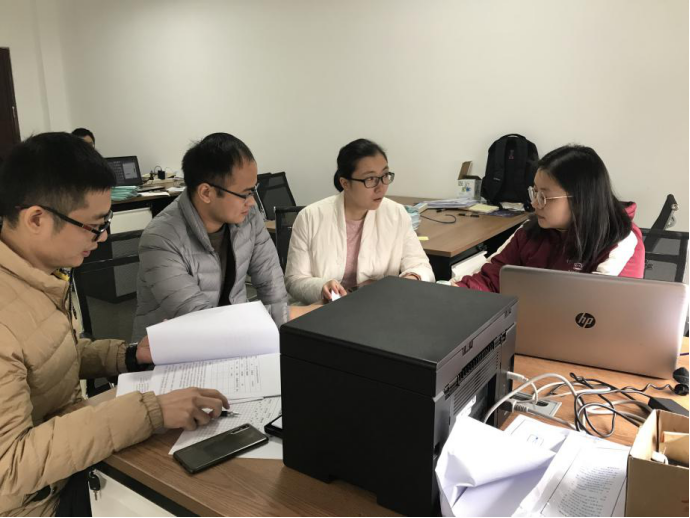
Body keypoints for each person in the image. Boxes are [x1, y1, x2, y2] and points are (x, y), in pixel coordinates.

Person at [0, 133, 229, 517]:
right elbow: (10, 467)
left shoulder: (38, 275)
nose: (103, 236)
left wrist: (129, 355)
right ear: (36, 219)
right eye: (94, 225)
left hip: (65, 463)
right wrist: (150, 411)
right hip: (37, 503)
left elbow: (47, 356)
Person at [132, 132, 289, 341]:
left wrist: (281, 336)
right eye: (245, 193)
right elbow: (200, 321)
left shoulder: (249, 218)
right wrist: (279, 316)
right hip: (176, 347)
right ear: (206, 193)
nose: (252, 202)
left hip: (238, 336)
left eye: (254, 190)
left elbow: (271, 284)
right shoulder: (160, 239)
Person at [455, 144, 645, 292]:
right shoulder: (531, 231)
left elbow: (595, 311)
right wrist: (452, 292)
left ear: (580, 200)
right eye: (534, 192)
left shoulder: (620, 240)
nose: (535, 204)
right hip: (527, 322)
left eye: (544, 197)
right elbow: (491, 279)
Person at [285, 138, 434, 304]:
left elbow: (422, 266)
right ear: (345, 183)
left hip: (379, 306)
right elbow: (294, 280)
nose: (381, 187)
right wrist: (322, 287)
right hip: (325, 309)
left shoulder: (396, 214)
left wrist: (411, 278)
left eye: (385, 175)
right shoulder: (310, 217)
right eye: (370, 179)